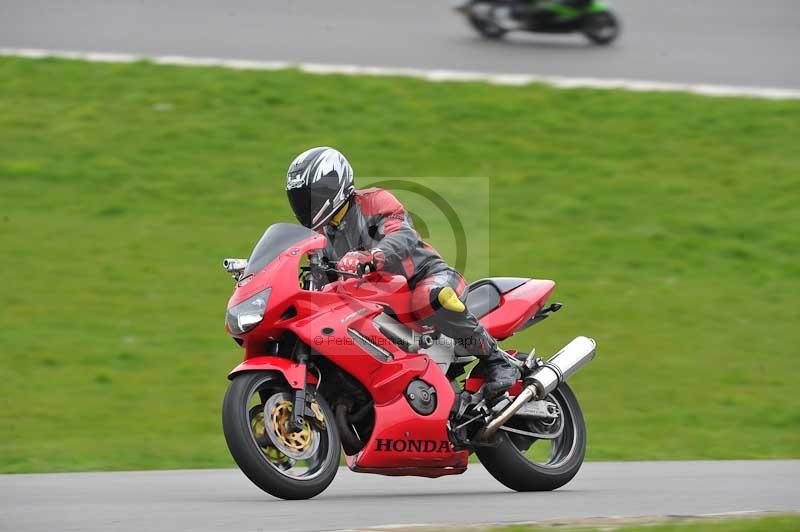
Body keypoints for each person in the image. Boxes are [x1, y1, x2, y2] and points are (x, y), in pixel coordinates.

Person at [285, 147, 520, 397]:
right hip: (378, 298)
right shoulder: (320, 237)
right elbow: (321, 279)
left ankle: (497, 362)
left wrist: (373, 256)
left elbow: (402, 234)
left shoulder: (374, 201)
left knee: (430, 297)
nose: (305, 205)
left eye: (311, 196)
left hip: (424, 275)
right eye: (299, 198)